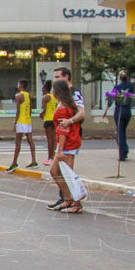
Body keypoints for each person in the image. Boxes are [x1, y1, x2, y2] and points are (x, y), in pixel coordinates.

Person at [49, 79, 84, 214]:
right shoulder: (69, 105)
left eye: (53, 88)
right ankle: (68, 198)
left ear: (57, 91)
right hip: (71, 142)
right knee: (59, 172)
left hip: (67, 144)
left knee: (65, 173)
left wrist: (60, 150)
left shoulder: (63, 109)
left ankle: (76, 202)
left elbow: (63, 130)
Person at [102, 70, 135, 162]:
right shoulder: (131, 86)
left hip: (119, 110)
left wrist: (105, 111)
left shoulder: (117, 87)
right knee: (123, 130)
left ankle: (122, 153)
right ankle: (125, 148)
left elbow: (111, 99)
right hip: (127, 110)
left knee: (120, 132)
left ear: (119, 78)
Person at [7, 79, 38, 172]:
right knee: (30, 140)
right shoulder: (28, 95)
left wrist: (15, 122)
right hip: (28, 119)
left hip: (21, 120)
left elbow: (18, 110)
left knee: (18, 142)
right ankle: (34, 161)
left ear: (20, 85)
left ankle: (14, 163)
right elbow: (30, 109)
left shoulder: (18, 95)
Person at [40, 80, 57, 165]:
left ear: (44, 88)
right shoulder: (54, 97)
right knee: (54, 139)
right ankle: (53, 157)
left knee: (49, 139)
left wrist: (41, 114)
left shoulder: (45, 97)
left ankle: (49, 158)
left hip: (48, 119)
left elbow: (44, 109)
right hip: (54, 119)